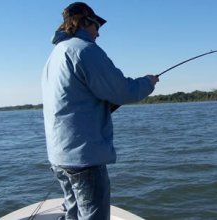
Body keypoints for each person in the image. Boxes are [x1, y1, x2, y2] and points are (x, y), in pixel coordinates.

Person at [41, 2, 158, 220]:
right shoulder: (84, 50)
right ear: (84, 22)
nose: (98, 33)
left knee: (73, 214)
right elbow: (123, 91)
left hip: (59, 157)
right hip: (83, 160)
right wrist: (148, 82)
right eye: (96, 26)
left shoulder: (55, 55)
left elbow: (75, 101)